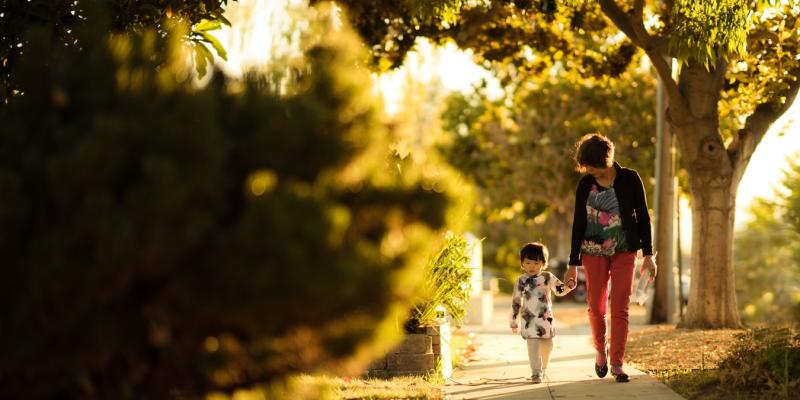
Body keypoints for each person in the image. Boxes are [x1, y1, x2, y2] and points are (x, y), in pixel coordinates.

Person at [564, 133, 657, 383]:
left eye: (591, 165)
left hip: (625, 250)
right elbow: (578, 223)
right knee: (596, 306)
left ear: (605, 160)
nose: (588, 170)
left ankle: (617, 362)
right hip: (592, 252)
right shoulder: (585, 185)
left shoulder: (630, 179)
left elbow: (644, 218)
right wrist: (573, 264)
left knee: (620, 305)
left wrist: (648, 255)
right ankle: (599, 351)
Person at [510, 242, 575, 384]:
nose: (531, 266)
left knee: (547, 345)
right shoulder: (521, 281)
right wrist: (513, 320)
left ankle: (543, 367)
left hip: (545, 319)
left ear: (543, 263)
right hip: (528, 320)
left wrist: (568, 287)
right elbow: (516, 301)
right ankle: (536, 372)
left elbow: (559, 290)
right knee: (532, 346)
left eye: (536, 262)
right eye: (527, 262)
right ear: (522, 263)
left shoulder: (547, 277)